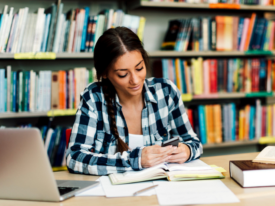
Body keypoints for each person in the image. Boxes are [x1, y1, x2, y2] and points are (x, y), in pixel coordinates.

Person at [66, 27, 202, 175]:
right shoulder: (93, 98)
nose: (135, 80)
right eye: (123, 74)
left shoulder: (166, 91)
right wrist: (135, 160)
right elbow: (74, 158)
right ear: (105, 73)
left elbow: (194, 143)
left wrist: (187, 151)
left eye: (139, 68)